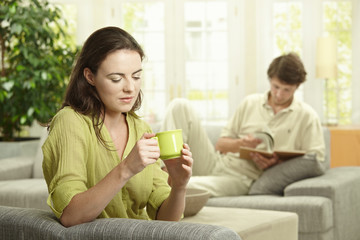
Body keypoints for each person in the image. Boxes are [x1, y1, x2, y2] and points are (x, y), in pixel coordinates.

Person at [42, 26, 193, 227]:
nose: (130, 87)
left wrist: (179, 186)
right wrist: (127, 168)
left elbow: (165, 220)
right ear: (90, 77)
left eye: (136, 76)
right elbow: (71, 215)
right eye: (116, 78)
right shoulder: (71, 122)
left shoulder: (142, 130)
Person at [160, 52, 325, 197]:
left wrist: (277, 164)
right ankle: (161, 173)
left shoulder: (307, 116)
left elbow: (315, 161)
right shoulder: (250, 103)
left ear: (297, 87)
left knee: (181, 187)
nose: (279, 94)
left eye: (286, 90)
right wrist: (241, 144)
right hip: (216, 162)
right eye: (275, 87)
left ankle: (162, 184)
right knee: (179, 105)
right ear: (270, 80)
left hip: (240, 179)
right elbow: (221, 144)